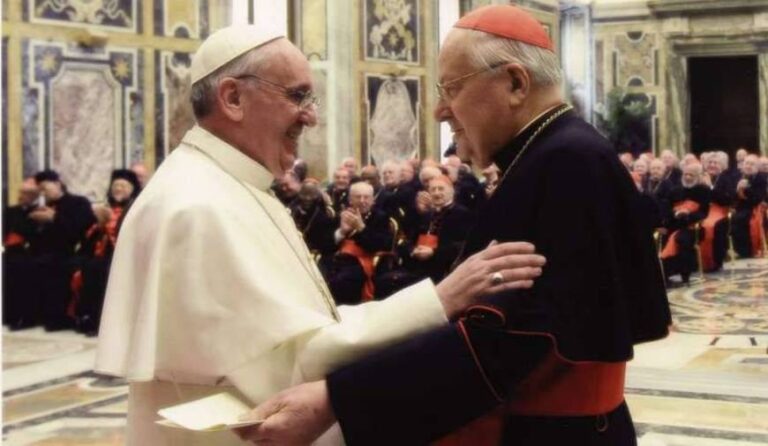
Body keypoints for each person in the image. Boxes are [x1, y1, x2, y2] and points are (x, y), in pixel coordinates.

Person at [95, 24, 546, 446]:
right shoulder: (194, 205)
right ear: (232, 98)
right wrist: (440, 300)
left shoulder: (231, 183)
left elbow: (307, 330)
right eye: (298, 96)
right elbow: (287, 366)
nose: (311, 117)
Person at [240, 5, 671, 446]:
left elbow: (498, 347)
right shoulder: (556, 153)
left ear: (515, 83)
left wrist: (336, 400)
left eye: (451, 89)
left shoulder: (564, 161)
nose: (439, 111)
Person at [659, 162, 710, 284]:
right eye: (686, 174)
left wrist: (687, 215)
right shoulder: (675, 190)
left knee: (682, 239)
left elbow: (704, 213)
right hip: (675, 224)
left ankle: (685, 274)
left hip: (693, 227)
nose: (687, 177)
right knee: (665, 236)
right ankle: (666, 275)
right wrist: (674, 215)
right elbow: (667, 208)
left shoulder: (704, 190)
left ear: (697, 176)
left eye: (691, 175)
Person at [699, 152, 736, 272]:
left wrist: (710, 187)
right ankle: (694, 262)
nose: (712, 165)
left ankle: (714, 262)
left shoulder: (726, 179)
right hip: (702, 210)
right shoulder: (700, 177)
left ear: (722, 166)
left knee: (710, 226)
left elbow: (727, 199)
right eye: (710, 162)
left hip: (720, 211)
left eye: (716, 163)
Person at [731, 154, 767, 258]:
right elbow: (732, 197)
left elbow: (758, 198)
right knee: (732, 218)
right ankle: (735, 249)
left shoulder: (761, 178)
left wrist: (746, 188)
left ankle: (746, 251)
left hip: (755, 207)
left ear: (757, 167)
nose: (748, 166)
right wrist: (737, 189)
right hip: (739, 207)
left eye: (752, 164)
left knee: (739, 219)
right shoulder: (737, 177)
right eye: (747, 163)